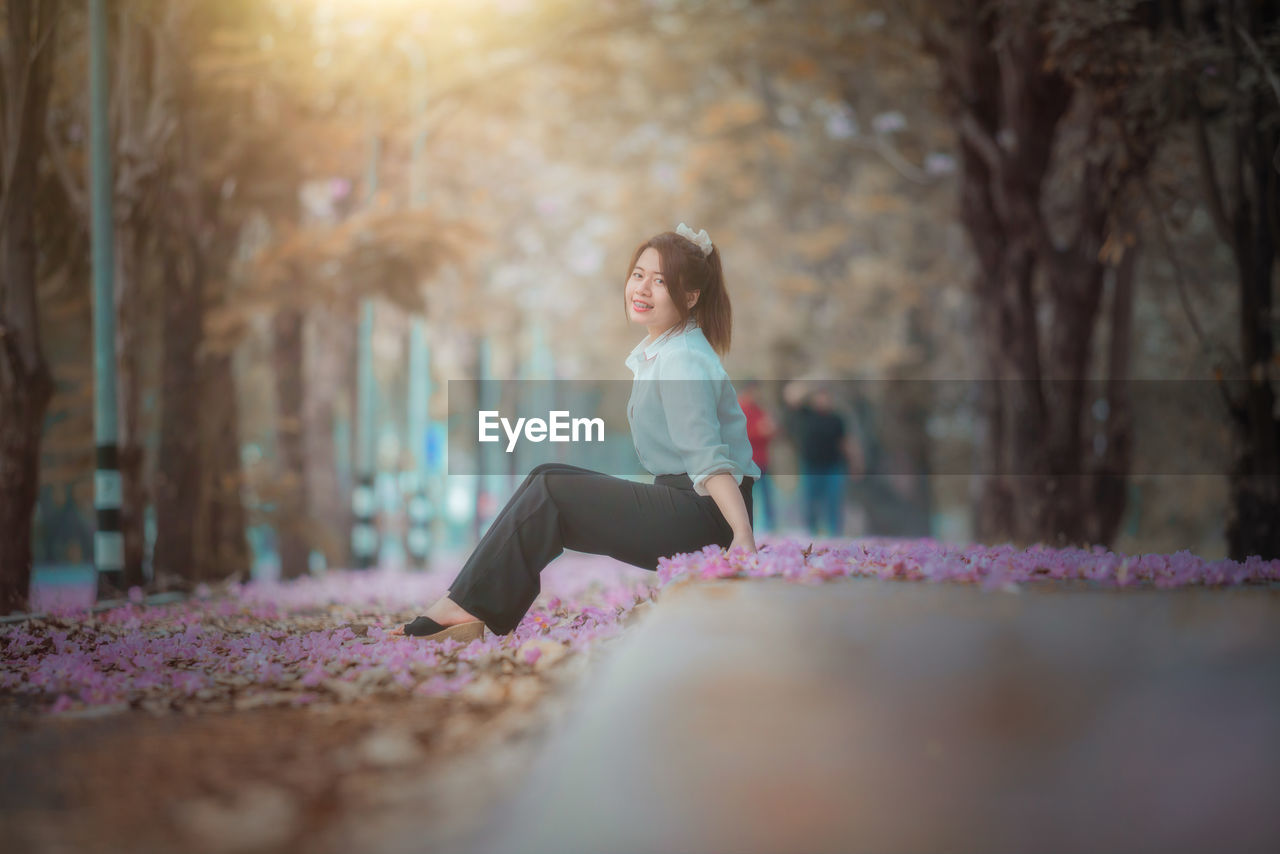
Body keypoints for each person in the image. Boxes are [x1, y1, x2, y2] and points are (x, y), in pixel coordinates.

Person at [391, 223, 761, 642]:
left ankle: (465, 607)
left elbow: (706, 457)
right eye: (638, 274)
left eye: (661, 281)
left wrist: (741, 536)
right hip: (689, 505)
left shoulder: (681, 361)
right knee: (548, 477)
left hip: (704, 514)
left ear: (690, 297)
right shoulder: (666, 352)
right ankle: (469, 604)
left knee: (552, 485)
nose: (642, 289)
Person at [783, 382, 861, 538]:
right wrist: (810, 386)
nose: (823, 400)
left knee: (834, 499)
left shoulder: (837, 418)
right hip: (811, 465)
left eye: (826, 397)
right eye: (820, 397)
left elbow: (845, 441)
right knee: (811, 500)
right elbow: (790, 395)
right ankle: (811, 531)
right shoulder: (805, 413)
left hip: (833, 465)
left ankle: (834, 532)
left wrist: (855, 463)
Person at [737, 381, 778, 532]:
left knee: (766, 494)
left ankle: (768, 524)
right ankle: (746, 524)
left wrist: (770, 430)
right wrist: (760, 431)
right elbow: (740, 435)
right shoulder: (740, 408)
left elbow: (770, 432)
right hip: (746, 461)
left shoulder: (760, 409)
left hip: (762, 460)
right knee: (746, 495)